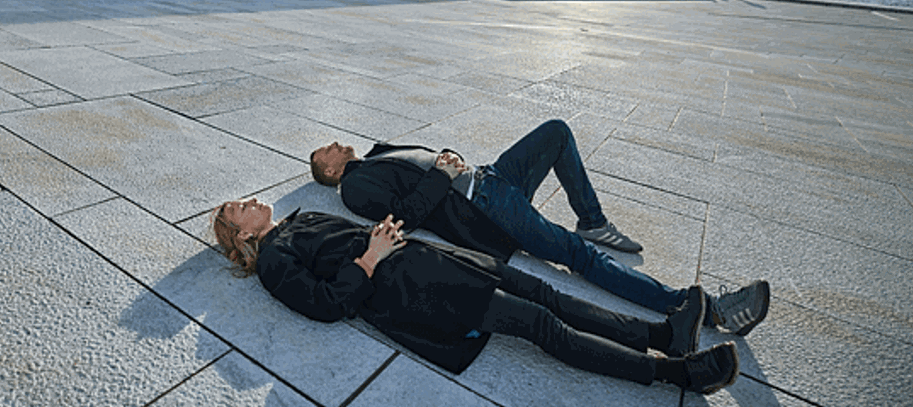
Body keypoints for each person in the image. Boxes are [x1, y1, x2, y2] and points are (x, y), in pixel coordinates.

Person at [211, 199, 739, 394]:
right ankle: (675, 375)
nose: (252, 202)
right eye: (240, 209)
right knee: (540, 325)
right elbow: (326, 305)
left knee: (548, 295)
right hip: (417, 293)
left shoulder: (299, 219)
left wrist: (381, 235)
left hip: (436, 262)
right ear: (244, 237)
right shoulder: (275, 261)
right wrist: (369, 257)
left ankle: (663, 335)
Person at [309, 119, 771, 335]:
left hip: (490, 177)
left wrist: (449, 160)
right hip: (486, 209)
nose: (331, 144)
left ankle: (592, 219)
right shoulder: (354, 188)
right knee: (579, 257)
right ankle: (705, 309)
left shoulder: (375, 152)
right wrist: (443, 175)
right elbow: (405, 214)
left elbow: (430, 161)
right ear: (329, 172)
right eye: (323, 152)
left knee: (556, 131)